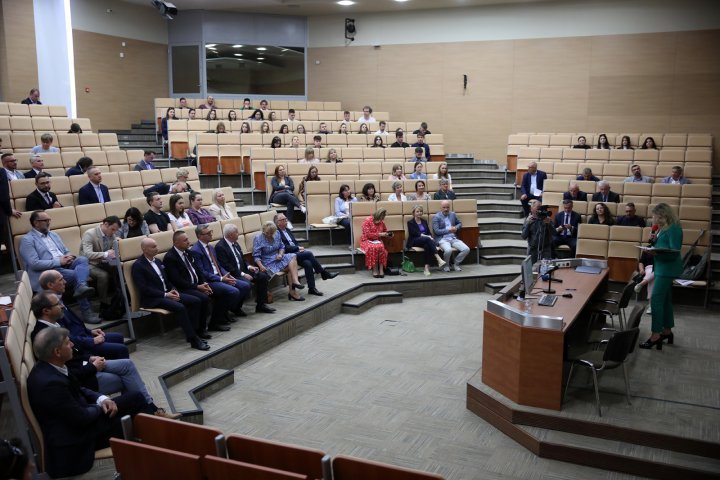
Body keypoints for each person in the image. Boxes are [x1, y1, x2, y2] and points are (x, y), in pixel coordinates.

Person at [27, 327, 159, 478]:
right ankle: (156, 454)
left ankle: (153, 445)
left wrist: (102, 398)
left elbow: (80, 389)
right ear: (57, 352)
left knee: (135, 399)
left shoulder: (51, 365)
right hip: (78, 440)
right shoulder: (50, 384)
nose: (72, 345)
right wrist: (99, 407)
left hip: (82, 420)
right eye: (68, 342)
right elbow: (81, 418)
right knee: (135, 408)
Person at [131, 237, 210, 349]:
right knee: (180, 307)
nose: (157, 248)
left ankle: (195, 332)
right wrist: (165, 295)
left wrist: (173, 290)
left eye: (156, 246)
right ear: (145, 249)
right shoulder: (138, 266)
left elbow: (167, 281)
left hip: (167, 294)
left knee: (196, 301)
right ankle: (193, 340)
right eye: (153, 247)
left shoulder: (158, 261)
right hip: (153, 298)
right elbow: (144, 288)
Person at [164, 230, 237, 332]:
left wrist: (203, 283)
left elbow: (198, 271)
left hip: (197, 285)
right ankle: (199, 329)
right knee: (203, 298)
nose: (188, 242)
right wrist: (197, 287)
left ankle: (214, 323)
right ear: (176, 243)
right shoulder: (170, 257)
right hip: (185, 288)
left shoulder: (188, 253)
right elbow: (177, 280)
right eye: (185, 240)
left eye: (188, 239)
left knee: (224, 293)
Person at [40, 272, 126, 358]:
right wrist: (92, 341)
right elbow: (67, 337)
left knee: (118, 337)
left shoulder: (58, 298)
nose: (65, 282)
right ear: (50, 285)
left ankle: (111, 365)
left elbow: (75, 324)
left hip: (85, 336)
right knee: (122, 349)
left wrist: (90, 331)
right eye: (61, 280)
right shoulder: (52, 306)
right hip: (81, 345)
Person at [19, 209, 95, 304]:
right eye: (45, 220)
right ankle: (86, 310)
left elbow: (65, 251)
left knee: (82, 259)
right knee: (77, 275)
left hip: (64, 264)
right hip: (49, 270)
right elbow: (34, 264)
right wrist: (59, 262)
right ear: (36, 223)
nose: (48, 223)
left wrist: (68, 256)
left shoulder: (53, 234)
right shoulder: (27, 240)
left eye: (49, 220)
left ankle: (81, 286)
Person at [639, 203, 682, 349]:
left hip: (667, 269)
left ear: (663, 215)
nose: (653, 218)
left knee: (656, 300)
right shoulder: (662, 228)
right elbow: (662, 246)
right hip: (661, 267)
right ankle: (667, 330)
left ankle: (655, 335)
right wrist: (652, 243)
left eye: (655, 215)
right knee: (665, 301)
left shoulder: (674, 228)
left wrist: (656, 253)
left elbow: (674, 252)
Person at [215, 223, 275, 314]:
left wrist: (249, 266)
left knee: (263, 276)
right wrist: (243, 274)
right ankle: (235, 307)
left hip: (244, 270)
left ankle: (261, 305)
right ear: (230, 235)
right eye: (236, 232)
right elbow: (226, 266)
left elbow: (242, 259)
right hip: (233, 274)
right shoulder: (220, 247)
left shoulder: (235, 243)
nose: (238, 234)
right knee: (246, 284)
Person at [276, 213, 339, 296]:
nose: (286, 221)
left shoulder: (287, 230)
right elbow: (283, 247)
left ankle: (312, 288)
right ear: (278, 222)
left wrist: (298, 248)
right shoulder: (276, 233)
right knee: (309, 254)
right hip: (287, 256)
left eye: (286, 219)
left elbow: (294, 242)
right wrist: (297, 248)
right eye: (283, 220)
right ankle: (323, 273)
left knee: (308, 263)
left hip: (295, 253)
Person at [191, 224, 247, 317]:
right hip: (210, 281)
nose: (211, 234)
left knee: (245, 286)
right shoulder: (196, 250)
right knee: (234, 291)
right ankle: (220, 317)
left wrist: (227, 274)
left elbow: (219, 265)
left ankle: (231, 310)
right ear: (200, 236)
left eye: (211, 232)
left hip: (220, 276)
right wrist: (221, 279)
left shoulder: (211, 247)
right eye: (208, 233)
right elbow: (202, 272)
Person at [253, 221, 305, 301]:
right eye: (267, 233)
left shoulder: (277, 233)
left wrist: (280, 254)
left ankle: (295, 282)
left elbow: (282, 246)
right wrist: (261, 266)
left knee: (293, 256)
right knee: (292, 268)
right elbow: (256, 256)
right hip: (267, 262)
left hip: (278, 258)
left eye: (271, 233)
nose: (270, 235)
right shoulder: (258, 238)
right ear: (263, 230)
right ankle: (293, 291)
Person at [80, 216, 121, 313]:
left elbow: (112, 250)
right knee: (103, 275)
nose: (114, 232)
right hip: (89, 263)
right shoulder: (89, 234)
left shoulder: (112, 234)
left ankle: (119, 297)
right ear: (106, 224)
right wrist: (106, 254)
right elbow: (87, 254)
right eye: (113, 229)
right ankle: (103, 303)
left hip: (104, 261)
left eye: (115, 230)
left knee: (120, 268)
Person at [407, 205, 445, 276]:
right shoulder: (410, 222)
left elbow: (429, 232)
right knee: (427, 239)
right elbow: (415, 233)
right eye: (417, 211)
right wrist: (427, 237)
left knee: (427, 246)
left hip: (425, 240)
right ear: (413, 213)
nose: (419, 213)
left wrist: (430, 237)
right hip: (414, 240)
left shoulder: (424, 221)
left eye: (421, 211)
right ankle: (438, 258)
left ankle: (426, 268)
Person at [432, 201, 470, 272]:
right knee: (448, 250)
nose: (446, 209)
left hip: (453, 238)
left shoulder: (453, 214)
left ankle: (456, 264)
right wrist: (448, 230)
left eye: (447, 207)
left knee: (466, 249)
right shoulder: (436, 217)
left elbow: (460, 223)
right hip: (442, 239)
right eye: (444, 207)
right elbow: (437, 231)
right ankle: (446, 265)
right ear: (440, 208)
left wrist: (456, 227)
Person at [521, 199, 553, 264]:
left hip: (545, 249)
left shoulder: (546, 219)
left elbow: (554, 233)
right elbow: (524, 236)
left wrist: (549, 224)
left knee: (545, 270)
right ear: (531, 209)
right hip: (533, 249)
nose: (539, 209)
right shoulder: (529, 220)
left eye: (540, 207)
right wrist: (528, 224)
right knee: (531, 269)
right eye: (538, 207)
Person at [360, 209, 390, 278]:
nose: (381, 220)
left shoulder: (381, 222)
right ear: (378, 215)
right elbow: (367, 235)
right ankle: (375, 269)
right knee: (373, 248)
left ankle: (381, 269)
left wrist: (387, 234)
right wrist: (380, 234)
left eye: (383, 218)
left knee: (381, 247)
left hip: (377, 240)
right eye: (381, 217)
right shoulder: (367, 221)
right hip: (366, 240)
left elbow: (385, 230)